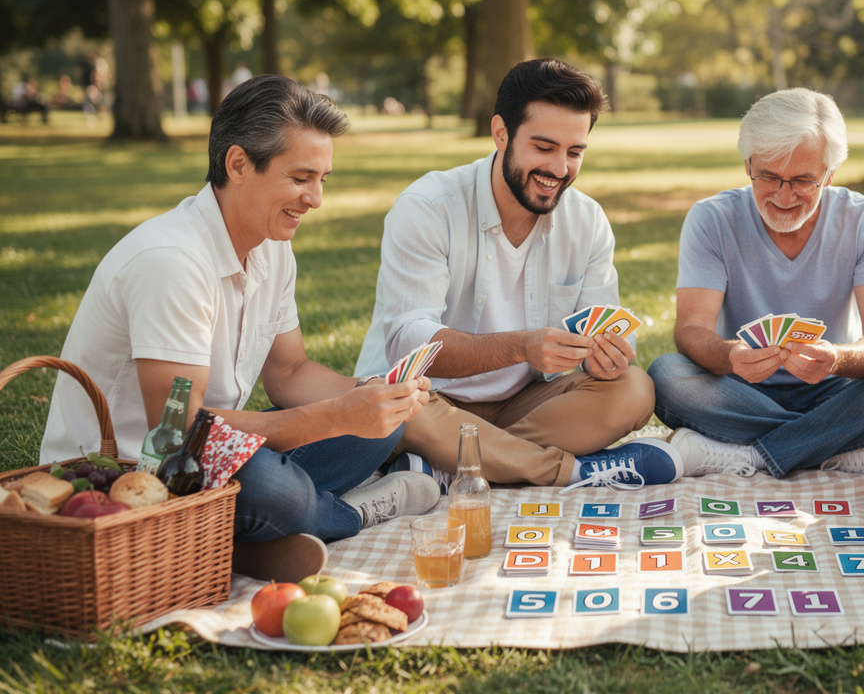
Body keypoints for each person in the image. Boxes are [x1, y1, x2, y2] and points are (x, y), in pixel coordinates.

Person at [41, 75, 439, 582]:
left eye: (323, 179)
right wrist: (336, 415)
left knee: (380, 427)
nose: (316, 199)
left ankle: (237, 539)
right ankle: (345, 514)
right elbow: (180, 434)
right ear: (238, 165)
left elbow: (290, 373)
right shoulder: (171, 260)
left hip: (215, 451)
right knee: (274, 489)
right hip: (128, 475)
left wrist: (371, 394)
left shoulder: (272, 248)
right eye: (301, 178)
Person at [356, 58, 682, 491]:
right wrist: (523, 347)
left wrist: (606, 357)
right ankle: (571, 471)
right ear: (500, 133)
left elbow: (605, 331)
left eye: (575, 152)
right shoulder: (428, 207)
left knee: (634, 389)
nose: (560, 169)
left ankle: (450, 465)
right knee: (397, 408)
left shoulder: (586, 221)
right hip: (427, 399)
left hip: (525, 407)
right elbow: (408, 341)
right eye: (544, 148)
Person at [648, 87, 864, 480]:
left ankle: (754, 454)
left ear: (829, 175)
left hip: (836, 389)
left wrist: (838, 359)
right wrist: (732, 356)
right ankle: (835, 450)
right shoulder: (711, 218)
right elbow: (691, 329)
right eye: (768, 177)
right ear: (748, 164)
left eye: (803, 180)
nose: (784, 196)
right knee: (667, 375)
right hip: (739, 389)